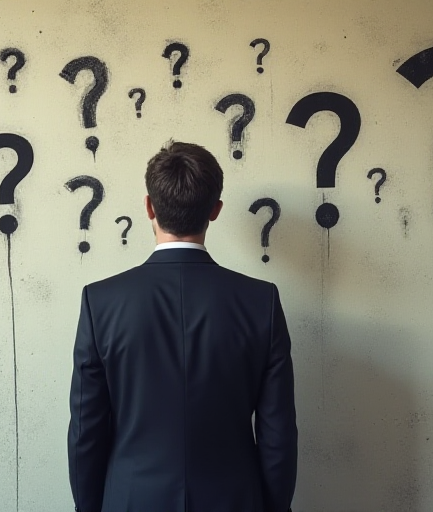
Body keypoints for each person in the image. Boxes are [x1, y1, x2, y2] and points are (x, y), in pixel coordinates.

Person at [67, 141, 298, 512]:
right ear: (215, 211)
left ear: (148, 207)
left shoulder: (101, 302)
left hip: (131, 500)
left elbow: (85, 432)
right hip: (235, 500)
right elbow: (278, 435)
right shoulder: (261, 302)